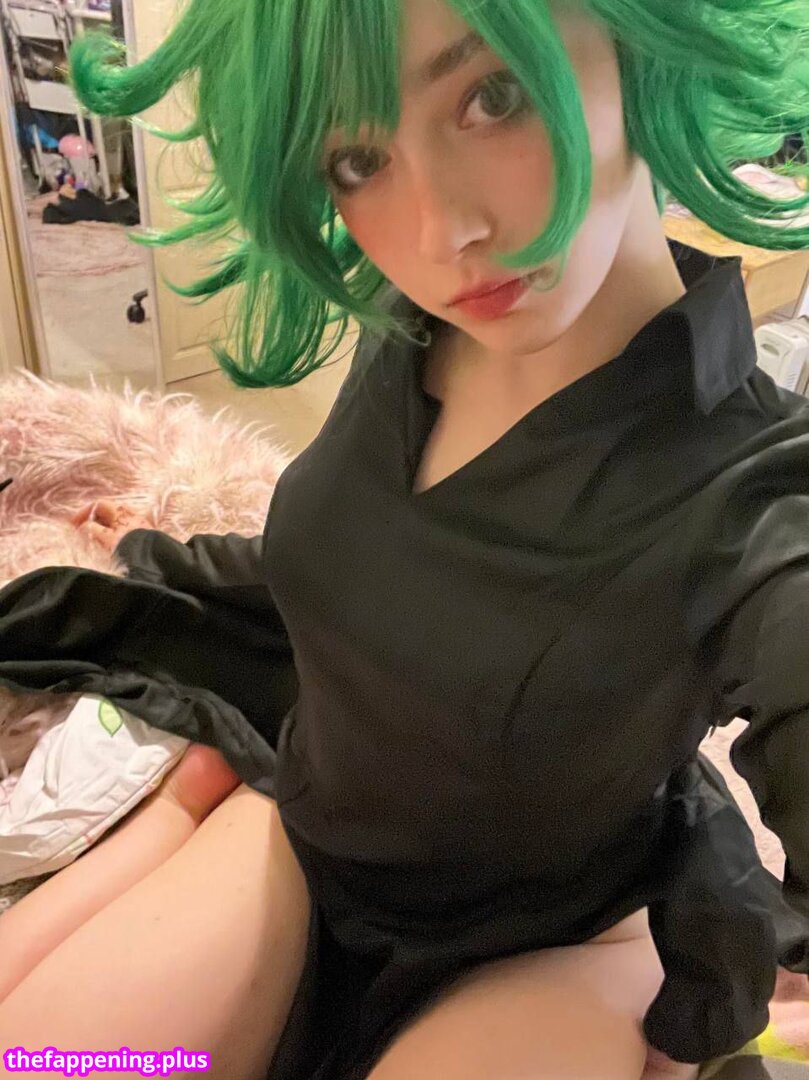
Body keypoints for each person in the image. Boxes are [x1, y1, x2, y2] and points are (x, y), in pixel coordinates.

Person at [1, 0, 809, 1077]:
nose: (439, 234)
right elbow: (369, 561)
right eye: (356, 160)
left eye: (493, 96)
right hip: (304, 834)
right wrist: (146, 553)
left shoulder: (759, 502)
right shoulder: (419, 322)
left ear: (638, 40)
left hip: (550, 943)